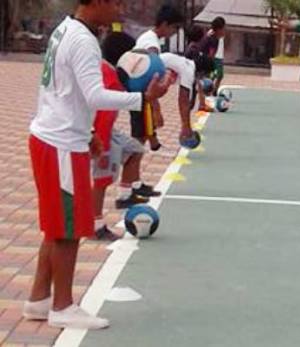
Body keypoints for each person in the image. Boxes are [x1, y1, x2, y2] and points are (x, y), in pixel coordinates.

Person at [23, 0, 170, 329]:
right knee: (69, 229)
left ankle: (38, 299)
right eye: (116, 2)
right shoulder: (84, 40)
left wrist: (87, 130)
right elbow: (94, 95)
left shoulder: (65, 29)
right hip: (60, 145)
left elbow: (63, 92)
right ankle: (63, 306)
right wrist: (143, 98)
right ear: (98, 2)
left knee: (56, 224)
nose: (120, 9)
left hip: (52, 136)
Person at [92, 32, 148, 241]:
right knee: (101, 177)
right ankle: (95, 225)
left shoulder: (108, 71)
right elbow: (103, 114)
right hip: (99, 129)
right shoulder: (110, 76)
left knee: (135, 149)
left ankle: (125, 195)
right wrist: (102, 147)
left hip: (106, 128)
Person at [133, 4, 185, 151]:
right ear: (164, 24)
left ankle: (154, 143)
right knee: (139, 138)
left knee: (144, 128)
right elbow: (151, 79)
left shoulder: (147, 37)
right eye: (174, 28)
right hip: (141, 94)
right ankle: (131, 170)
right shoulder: (152, 45)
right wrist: (157, 109)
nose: (175, 32)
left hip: (139, 92)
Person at [204, 16, 226, 94]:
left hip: (219, 56)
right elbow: (210, 53)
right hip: (214, 58)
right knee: (212, 75)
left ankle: (214, 91)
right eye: (223, 28)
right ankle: (208, 91)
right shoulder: (211, 35)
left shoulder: (219, 35)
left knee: (220, 75)